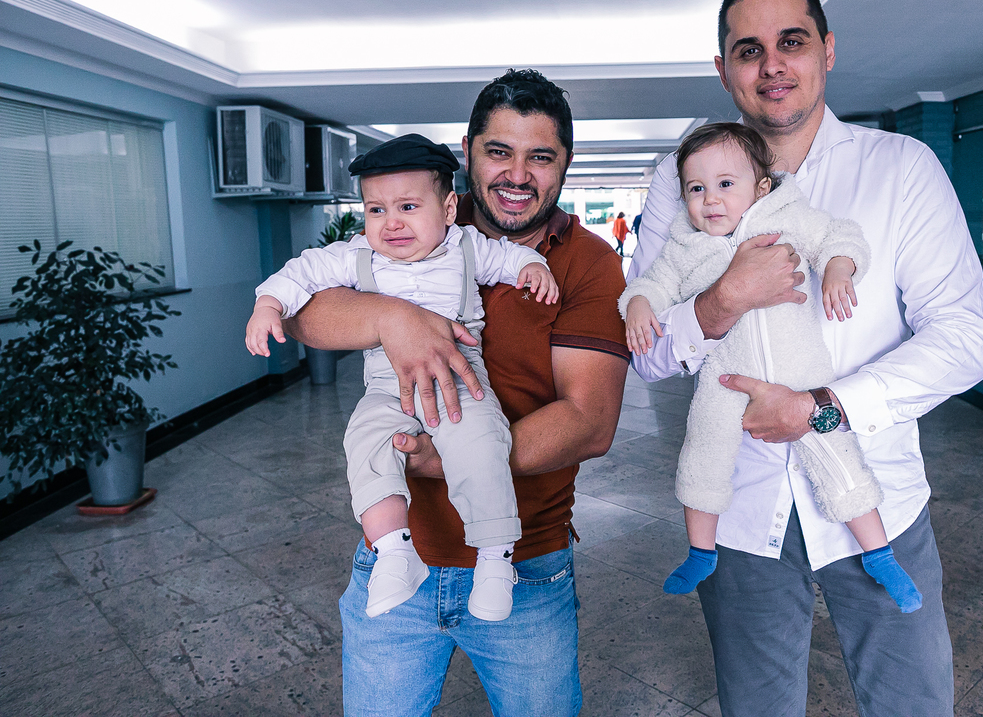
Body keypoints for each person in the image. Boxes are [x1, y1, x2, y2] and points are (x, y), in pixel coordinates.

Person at [629, 0, 983, 716]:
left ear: (826, 50)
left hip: (878, 496)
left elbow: (964, 337)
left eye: (790, 42)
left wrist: (823, 407)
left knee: (913, 704)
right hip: (741, 514)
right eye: (748, 50)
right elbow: (650, 354)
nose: (772, 65)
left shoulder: (900, 169)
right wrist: (726, 297)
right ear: (724, 69)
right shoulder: (683, 178)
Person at [284, 70, 630, 717]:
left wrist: (444, 460)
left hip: (527, 566)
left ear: (566, 163)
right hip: (395, 558)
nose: (517, 175)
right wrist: (394, 319)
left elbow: (590, 421)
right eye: (498, 152)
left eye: (540, 156)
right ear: (467, 152)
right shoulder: (411, 210)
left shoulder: (586, 261)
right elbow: (305, 314)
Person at [246, 133, 559, 624]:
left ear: (449, 208)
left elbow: (512, 257)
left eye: (408, 207)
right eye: (376, 210)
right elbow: (301, 273)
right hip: (387, 386)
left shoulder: (467, 248)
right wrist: (268, 305)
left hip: (459, 380)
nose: (391, 223)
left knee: (481, 441)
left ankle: (494, 558)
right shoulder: (357, 256)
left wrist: (534, 266)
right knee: (365, 439)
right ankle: (394, 552)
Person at [620, 122, 920, 614]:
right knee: (703, 452)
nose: (710, 200)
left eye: (725, 184)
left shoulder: (786, 219)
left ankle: (880, 553)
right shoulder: (685, 246)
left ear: (760, 188)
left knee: (838, 455)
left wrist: (839, 267)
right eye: (696, 189)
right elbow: (653, 284)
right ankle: (700, 551)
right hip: (724, 378)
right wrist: (637, 304)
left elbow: (839, 236)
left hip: (801, 373)